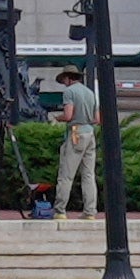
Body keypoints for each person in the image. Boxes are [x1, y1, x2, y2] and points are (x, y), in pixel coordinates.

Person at [52, 68, 103, 216]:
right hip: (90, 133)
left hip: (75, 132)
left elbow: (68, 115)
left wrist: (57, 118)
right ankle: (90, 212)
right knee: (88, 175)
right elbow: (97, 119)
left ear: (68, 78)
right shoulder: (90, 93)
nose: (63, 84)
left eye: (63, 81)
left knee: (66, 174)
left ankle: (60, 210)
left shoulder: (69, 92)